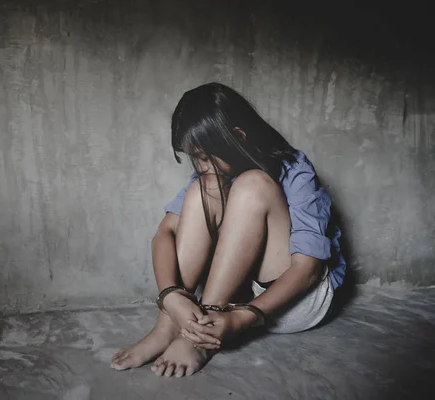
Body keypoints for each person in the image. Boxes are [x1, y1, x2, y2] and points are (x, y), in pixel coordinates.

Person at [110, 82, 346, 378]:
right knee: (202, 189)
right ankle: (167, 326)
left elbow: (307, 270)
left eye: (204, 156)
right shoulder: (211, 176)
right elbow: (164, 234)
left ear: (238, 137)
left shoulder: (294, 169)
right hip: (242, 296)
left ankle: (200, 337)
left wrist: (239, 320)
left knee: (253, 185)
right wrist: (170, 297)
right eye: (193, 157)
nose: (200, 165)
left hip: (296, 302)